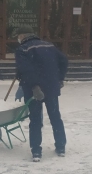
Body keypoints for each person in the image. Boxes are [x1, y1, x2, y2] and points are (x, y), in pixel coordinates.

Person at [14, 26, 68, 162]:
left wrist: (34, 86)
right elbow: (64, 60)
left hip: (34, 91)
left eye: (18, 36)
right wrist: (60, 78)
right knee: (55, 117)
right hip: (51, 88)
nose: (18, 39)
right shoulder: (49, 45)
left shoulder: (22, 49)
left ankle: (36, 151)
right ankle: (61, 147)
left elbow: (27, 70)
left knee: (35, 120)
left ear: (22, 36)